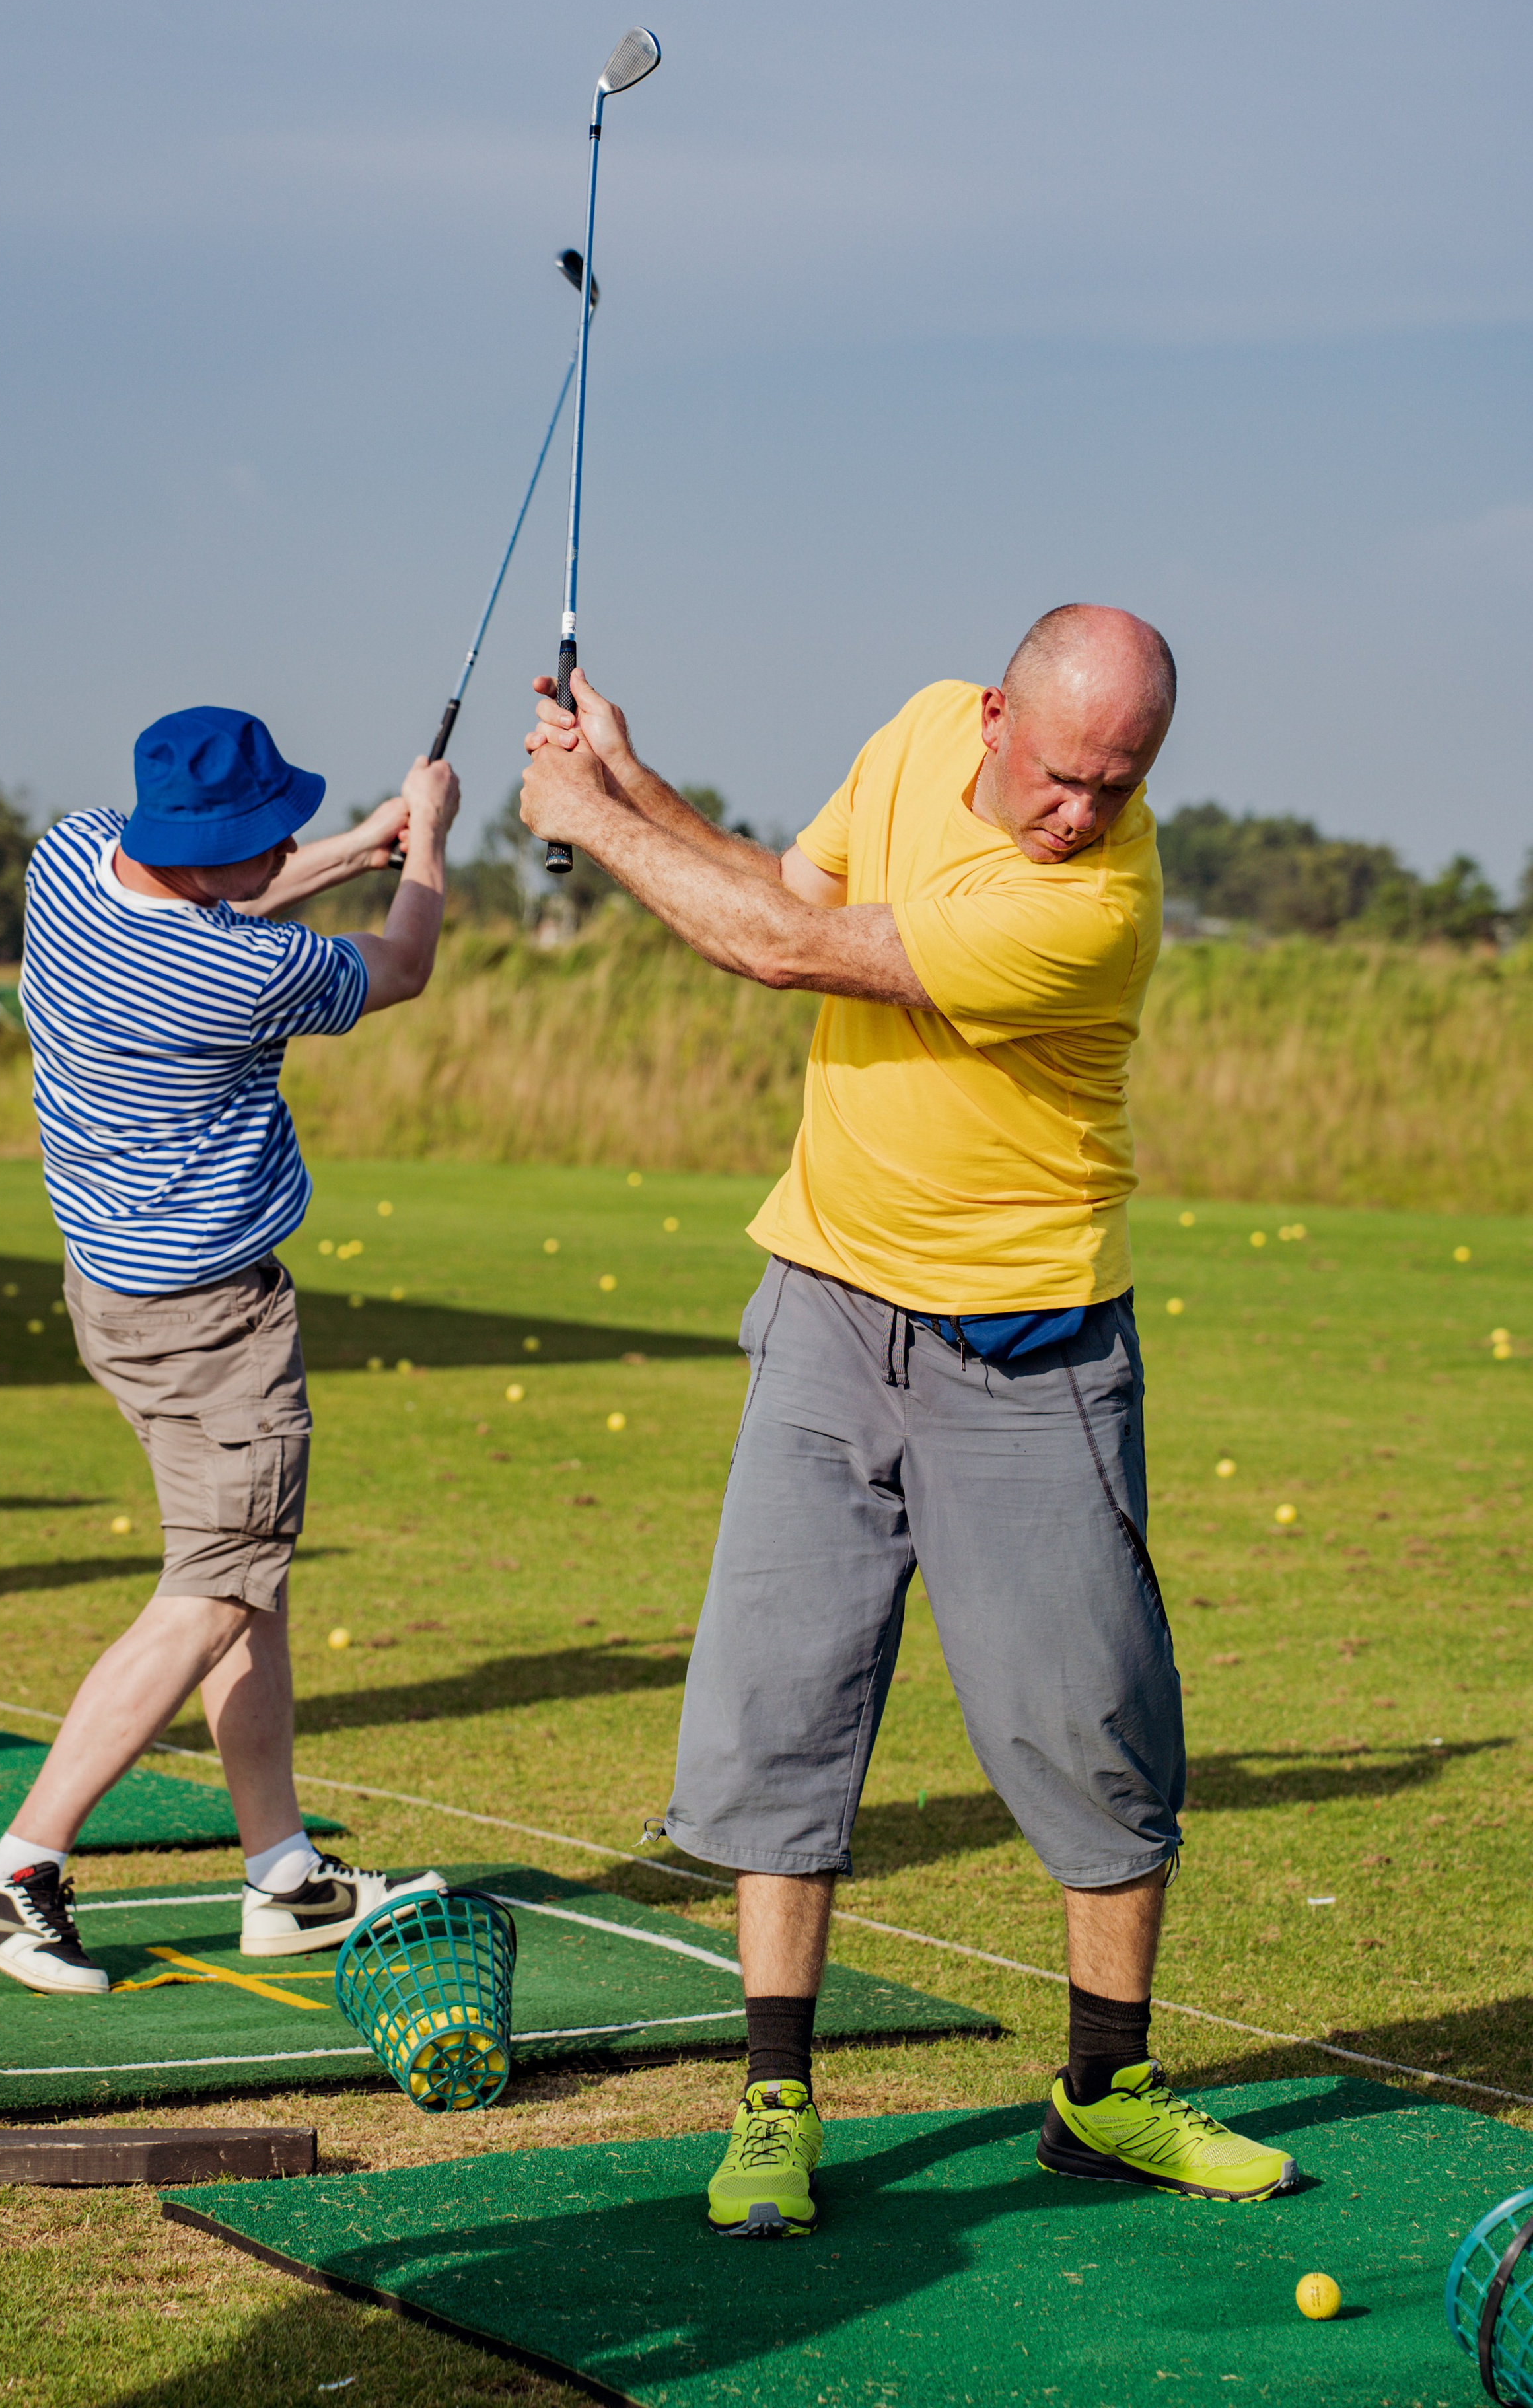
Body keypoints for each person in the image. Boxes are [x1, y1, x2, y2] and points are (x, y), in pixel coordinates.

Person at [518, 605, 1295, 2233]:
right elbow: (795, 894)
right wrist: (634, 787)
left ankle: (1104, 2095)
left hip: (1028, 1354)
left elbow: (778, 954)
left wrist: (585, 825)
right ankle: (775, 2100)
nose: (1082, 808)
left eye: (1120, 781)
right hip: (822, 1309)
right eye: (1065, 772)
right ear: (998, 712)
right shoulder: (922, 724)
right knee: (777, 1701)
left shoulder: (1089, 908)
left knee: (1086, 1723)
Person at [0, 704, 458, 1994]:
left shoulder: (65, 855)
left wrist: (359, 841)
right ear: (215, 850)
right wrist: (430, 845)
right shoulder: (242, 971)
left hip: (112, 1292)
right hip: (212, 1326)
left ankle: (285, 1874)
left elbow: (238, 876)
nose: (283, 839)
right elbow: (400, 967)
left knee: (245, 1579)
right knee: (218, 1587)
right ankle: (13, 1870)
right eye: (266, 829)